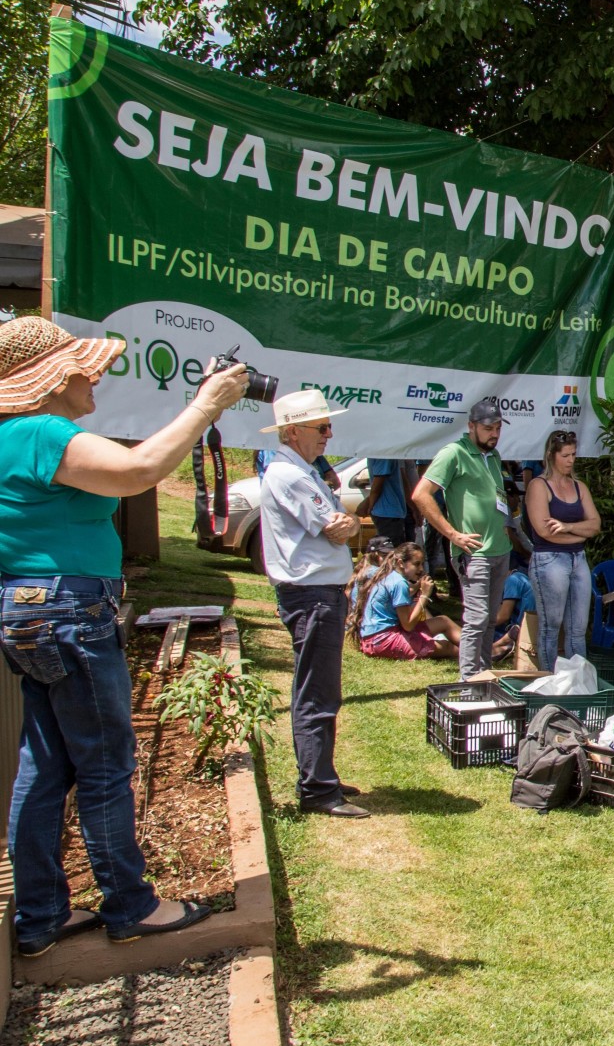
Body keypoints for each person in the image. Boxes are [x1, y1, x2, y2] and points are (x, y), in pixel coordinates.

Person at [0, 316, 252, 954]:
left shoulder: (8, 437)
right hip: (69, 611)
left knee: (45, 764)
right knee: (108, 765)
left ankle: (40, 915)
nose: (96, 380)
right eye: (85, 369)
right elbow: (138, 469)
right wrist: (206, 404)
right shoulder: (40, 432)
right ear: (54, 378)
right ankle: (131, 905)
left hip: (27, 609)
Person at [257, 389, 366, 818]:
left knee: (321, 689)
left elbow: (346, 523)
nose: (328, 434)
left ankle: (322, 776)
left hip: (317, 594)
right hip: (313, 595)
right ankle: (317, 788)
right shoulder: (292, 476)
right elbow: (337, 528)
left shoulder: (302, 471)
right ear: (292, 432)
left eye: (327, 425)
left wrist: (349, 522)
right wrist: (347, 523)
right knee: (317, 692)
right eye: (320, 427)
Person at [413, 398, 512, 679]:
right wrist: (452, 534)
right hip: (474, 553)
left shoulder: (493, 456)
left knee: (490, 620)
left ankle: (484, 677)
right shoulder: (453, 453)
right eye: (488, 427)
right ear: (471, 426)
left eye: (497, 427)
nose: (494, 433)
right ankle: (468, 681)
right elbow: (421, 494)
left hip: (500, 551)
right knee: (476, 620)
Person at [523, 429, 600, 670]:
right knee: (551, 626)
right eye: (565, 455)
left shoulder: (579, 486)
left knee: (578, 628)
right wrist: (579, 533)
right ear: (551, 456)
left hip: (578, 558)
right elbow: (545, 532)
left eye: (573, 454)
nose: (570, 460)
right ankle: (549, 678)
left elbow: (595, 525)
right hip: (549, 559)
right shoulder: (539, 485)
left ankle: (578, 680)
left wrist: (567, 527)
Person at [353, 542, 460, 659]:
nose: (421, 569)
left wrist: (417, 588)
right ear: (400, 563)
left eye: (422, 564)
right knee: (447, 647)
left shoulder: (393, 576)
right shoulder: (399, 583)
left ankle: (476, 648)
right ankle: (477, 655)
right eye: (417, 564)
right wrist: (424, 596)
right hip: (382, 640)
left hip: (373, 638)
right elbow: (408, 625)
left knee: (443, 621)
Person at [363, 456, 417, 548]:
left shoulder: (382, 453)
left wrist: (369, 506)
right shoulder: (381, 452)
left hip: (388, 513)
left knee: (389, 553)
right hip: (388, 512)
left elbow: (378, 484)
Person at [492, 561, 536, 660]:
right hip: (528, 625)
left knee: (478, 637)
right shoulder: (522, 578)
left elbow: (503, 616)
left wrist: (480, 626)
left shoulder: (513, 580)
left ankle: (502, 646)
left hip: (522, 628)